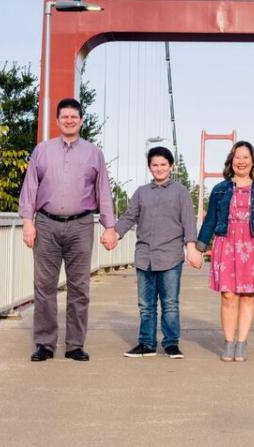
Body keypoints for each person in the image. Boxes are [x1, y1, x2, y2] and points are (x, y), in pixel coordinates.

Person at [18, 98, 117, 363]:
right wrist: (28, 221)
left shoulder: (94, 153)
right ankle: (44, 344)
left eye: (74, 117)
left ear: (81, 121)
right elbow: (30, 188)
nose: (70, 121)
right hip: (46, 224)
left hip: (81, 224)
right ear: (58, 121)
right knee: (44, 286)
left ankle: (75, 344)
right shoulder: (42, 150)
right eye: (65, 117)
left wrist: (110, 227)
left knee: (79, 288)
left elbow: (103, 191)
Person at [193, 141, 254, 362]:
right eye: (237, 157)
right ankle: (228, 342)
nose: (241, 161)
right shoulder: (220, 190)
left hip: (252, 244)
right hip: (226, 243)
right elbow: (211, 221)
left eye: (245, 157)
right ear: (231, 161)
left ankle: (242, 342)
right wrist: (198, 248)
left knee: (248, 296)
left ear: (252, 161)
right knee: (228, 295)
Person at [112, 146, 198, 359]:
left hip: (170, 256)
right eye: (154, 165)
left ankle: (171, 344)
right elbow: (129, 216)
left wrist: (192, 248)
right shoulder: (141, 192)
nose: (159, 169)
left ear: (171, 166)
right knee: (145, 305)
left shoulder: (181, 192)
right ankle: (146, 343)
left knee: (170, 303)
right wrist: (115, 234)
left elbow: (188, 222)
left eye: (163, 165)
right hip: (144, 257)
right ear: (149, 167)